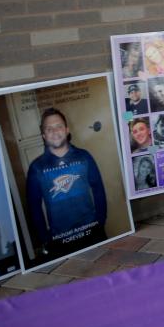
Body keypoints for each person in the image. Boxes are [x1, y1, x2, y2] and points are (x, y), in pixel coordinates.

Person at [26, 108, 107, 258]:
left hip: (92, 232)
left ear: (67, 129)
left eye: (59, 126)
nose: (55, 131)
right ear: (43, 135)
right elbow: (34, 207)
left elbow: (98, 190)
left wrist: (100, 221)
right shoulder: (36, 168)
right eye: (49, 129)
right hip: (60, 241)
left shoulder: (84, 157)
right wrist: (45, 238)